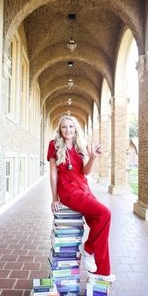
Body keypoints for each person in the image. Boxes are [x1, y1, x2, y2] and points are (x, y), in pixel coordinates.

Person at [47, 115, 115, 282]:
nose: (68, 130)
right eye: (64, 127)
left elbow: (85, 172)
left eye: (71, 126)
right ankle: (89, 249)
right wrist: (54, 197)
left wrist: (92, 157)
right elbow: (53, 173)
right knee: (105, 213)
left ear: (75, 128)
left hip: (84, 189)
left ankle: (102, 273)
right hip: (69, 191)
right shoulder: (54, 145)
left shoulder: (80, 146)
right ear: (60, 129)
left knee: (100, 228)